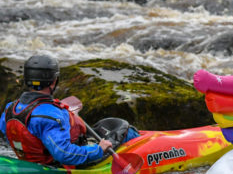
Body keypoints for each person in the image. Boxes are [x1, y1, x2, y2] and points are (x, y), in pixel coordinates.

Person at [0, 54, 138, 167]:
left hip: (31, 162)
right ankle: (140, 142)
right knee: (124, 128)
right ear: (54, 81)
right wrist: (98, 149)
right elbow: (64, 154)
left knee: (104, 125)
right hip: (58, 166)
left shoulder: (10, 108)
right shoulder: (51, 116)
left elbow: (9, 136)